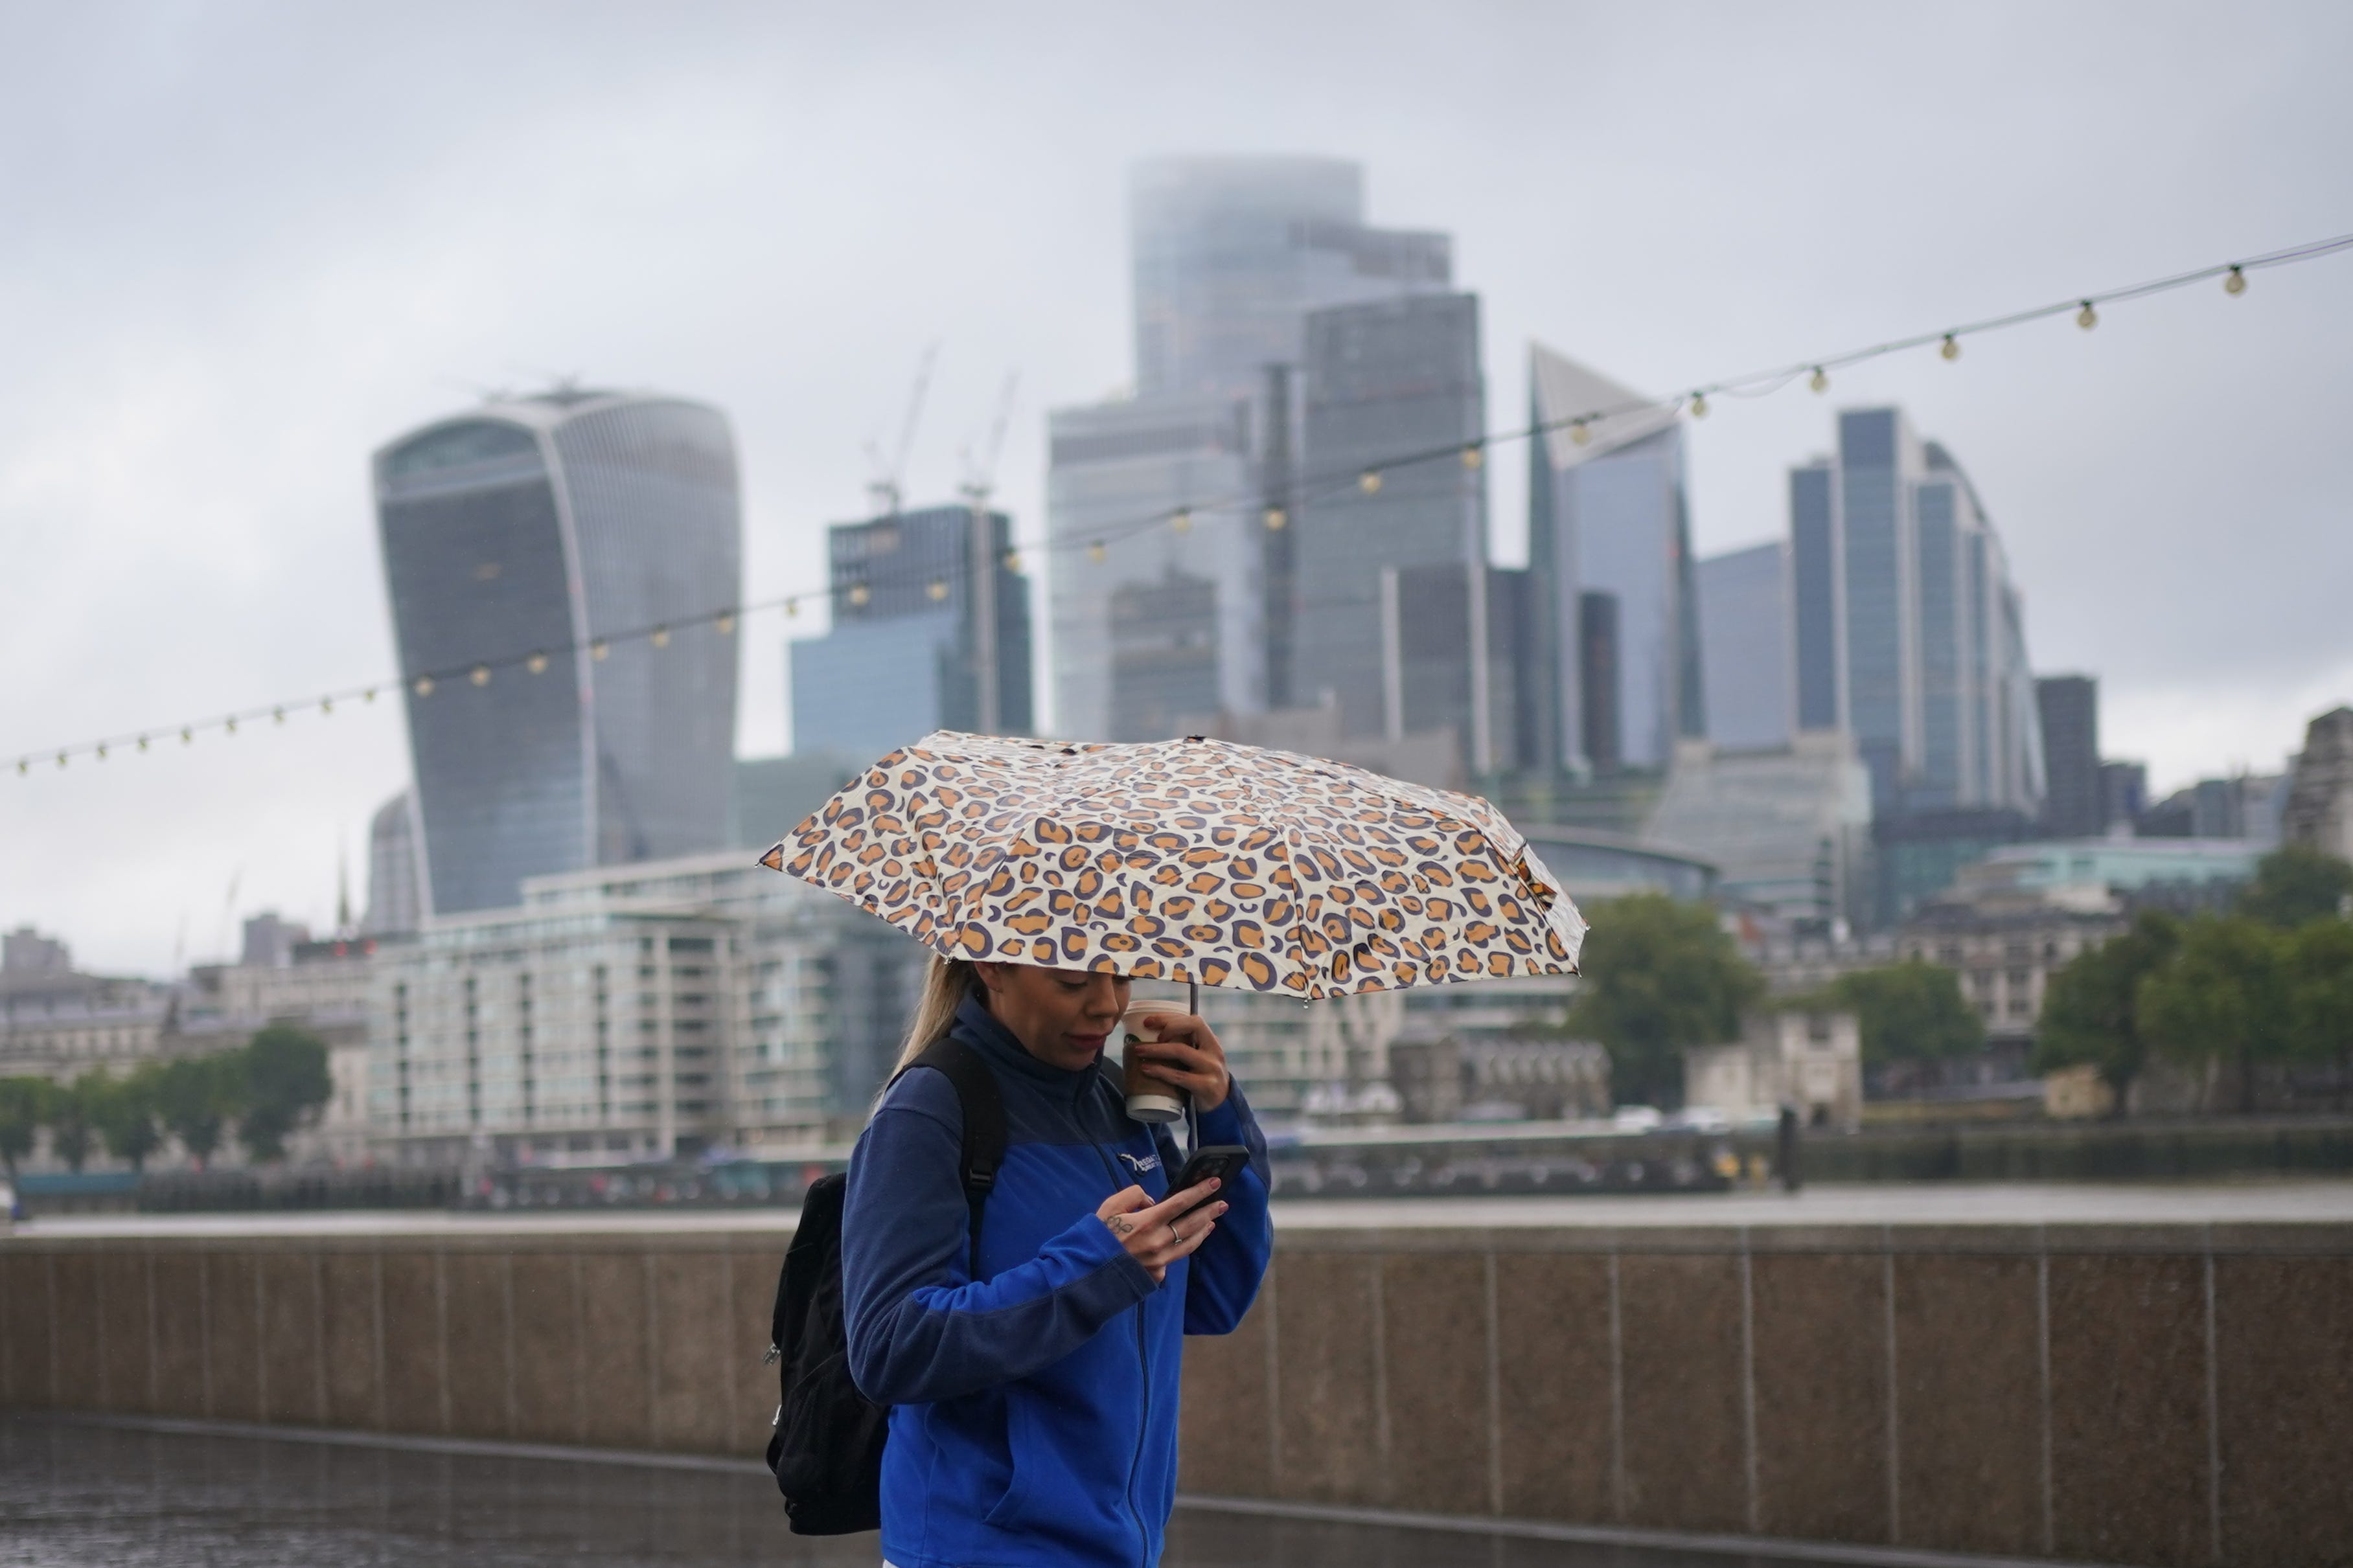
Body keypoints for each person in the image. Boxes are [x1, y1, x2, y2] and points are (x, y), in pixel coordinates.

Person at [841, 955, 1272, 1568]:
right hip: (978, 1549)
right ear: (991, 966)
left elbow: (1213, 1298)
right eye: (1074, 982)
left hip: (1125, 1548)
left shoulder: (1118, 1100)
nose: (1107, 1005)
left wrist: (1220, 1111)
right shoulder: (931, 1106)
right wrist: (1096, 1264)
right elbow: (889, 1347)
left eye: (1122, 977)